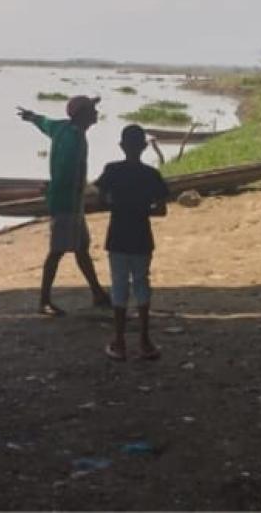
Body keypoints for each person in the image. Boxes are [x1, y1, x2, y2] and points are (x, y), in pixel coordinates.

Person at [17, 96, 111, 316]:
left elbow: (44, 122)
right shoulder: (73, 139)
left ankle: (97, 292)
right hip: (67, 203)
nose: (96, 113)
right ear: (82, 115)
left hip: (69, 201)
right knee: (57, 251)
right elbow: (66, 172)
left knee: (82, 249)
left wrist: (32, 117)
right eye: (92, 110)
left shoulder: (60, 127)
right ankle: (44, 301)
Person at [94, 125, 169, 361]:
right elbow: (161, 209)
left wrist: (119, 206)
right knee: (141, 283)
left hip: (117, 235)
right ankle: (145, 340)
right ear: (144, 147)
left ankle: (119, 341)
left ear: (122, 146)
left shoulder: (112, 171)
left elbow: (100, 202)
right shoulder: (151, 175)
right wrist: (142, 209)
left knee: (119, 285)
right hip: (141, 235)